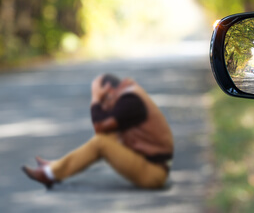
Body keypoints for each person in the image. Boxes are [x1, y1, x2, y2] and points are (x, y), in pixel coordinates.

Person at [22, 73, 174, 190]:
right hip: (151, 167)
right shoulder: (129, 94)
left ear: (109, 91)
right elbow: (103, 130)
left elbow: (99, 127)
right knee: (106, 137)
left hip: (153, 173)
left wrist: (95, 98)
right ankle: (55, 167)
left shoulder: (130, 101)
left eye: (103, 99)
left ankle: (49, 174)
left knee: (101, 142)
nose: (103, 106)